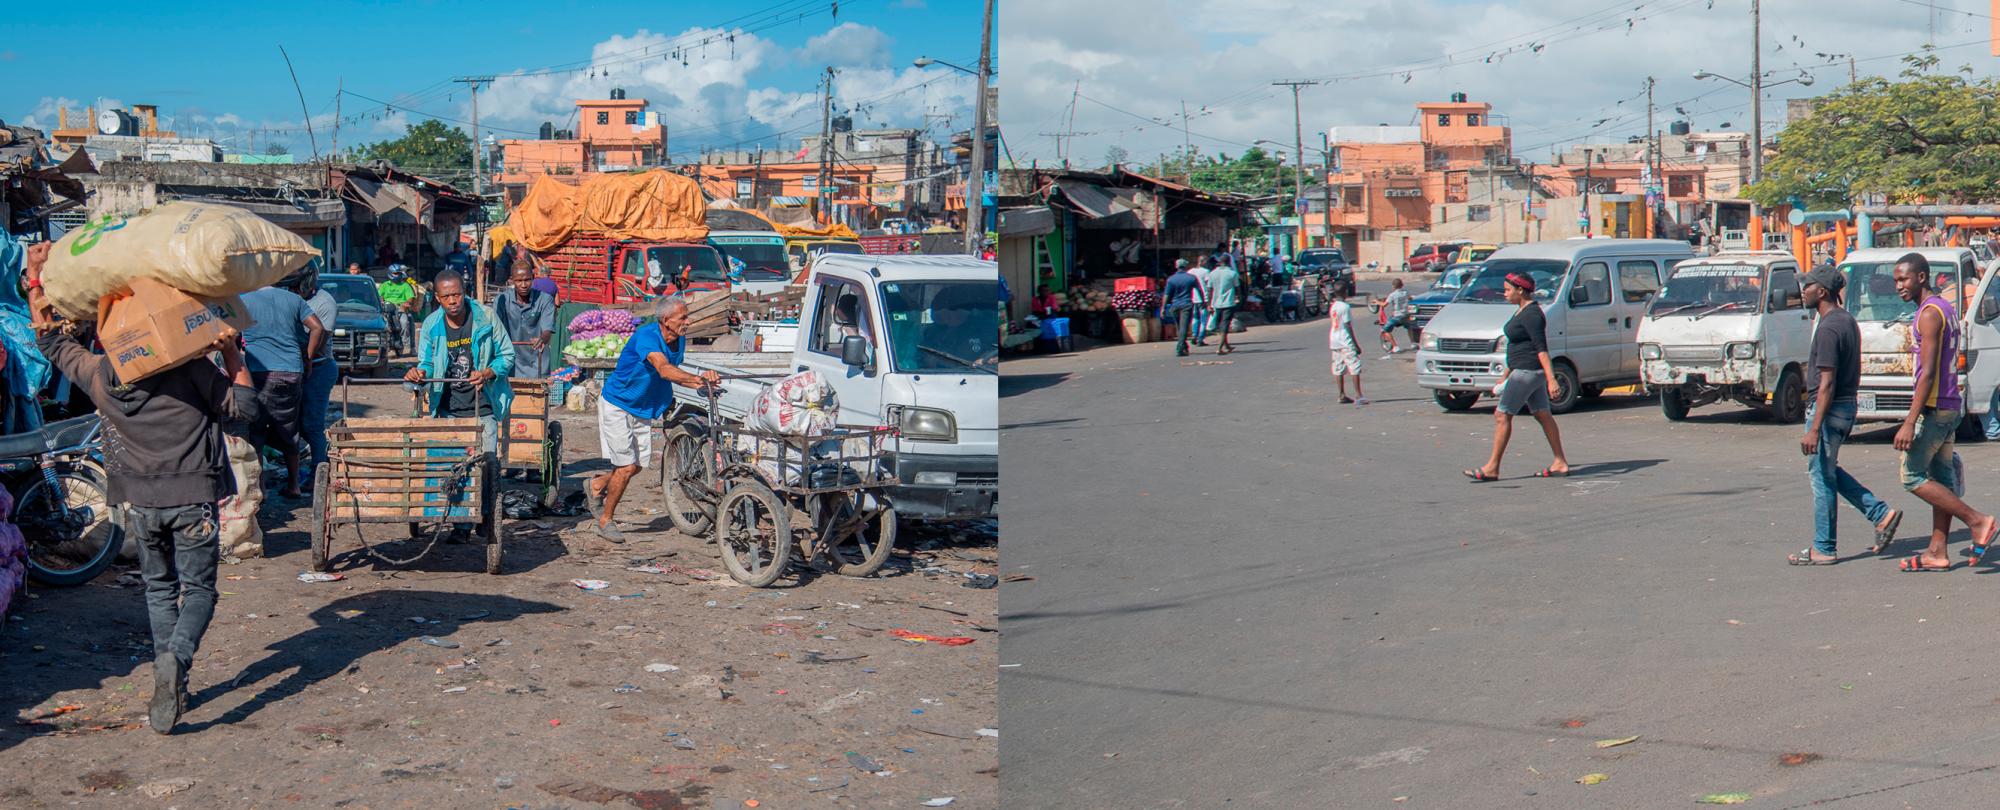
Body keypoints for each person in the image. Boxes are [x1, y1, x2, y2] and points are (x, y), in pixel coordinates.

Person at [24, 242, 257, 735]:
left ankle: (165, 676)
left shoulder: (100, 376)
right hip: (193, 498)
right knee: (199, 591)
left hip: (140, 504)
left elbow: (49, 341)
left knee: (158, 589)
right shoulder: (190, 369)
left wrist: (36, 280)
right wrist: (231, 349)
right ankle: (177, 659)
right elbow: (245, 409)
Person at [1889, 253, 2000, 571]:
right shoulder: (1945, 308)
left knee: (1911, 476)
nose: (1899, 286)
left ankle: (1977, 521)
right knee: (1941, 479)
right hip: (1951, 405)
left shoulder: (1929, 314)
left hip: (1936, 408)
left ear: (1921, 277)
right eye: (1896, 280)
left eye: (1904, 279)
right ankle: (1937, 551)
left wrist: (1910, 420)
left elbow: (1927, 372)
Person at [1788, 267, 1902, 565]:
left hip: (1829, 408)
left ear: (1822, 291)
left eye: (1808, 286)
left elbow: (1826, 382)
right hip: (1846, 407)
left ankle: (1824, 547)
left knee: (1821, 479)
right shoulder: (1847, 320)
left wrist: (1813, 428)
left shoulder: (1828, 328)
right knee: (1826, 471)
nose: (1804, 291)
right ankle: (1879, 513)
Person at [588, 296, 720, 542]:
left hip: (644, 407)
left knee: (636, 466)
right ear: (665, 320)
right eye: (683, 318)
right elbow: (663, 369)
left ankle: (597, 485)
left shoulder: (678, 340)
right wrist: (698, 380)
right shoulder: (647, 336)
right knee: (626, 467)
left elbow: (676, 372)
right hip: (618, 404)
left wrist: (701, 384)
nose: (688, 322)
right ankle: (605, 521)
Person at [1463, 272, 1569, 482]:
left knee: (1502, 415)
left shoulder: (1532, 315)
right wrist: (1505, 374)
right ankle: (1560, 462)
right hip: (1523, 370)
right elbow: (1518, 346)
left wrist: (1551, 379)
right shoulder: (1522, 311)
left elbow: (1541, 349)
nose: (1504, 294)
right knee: (1542, 415)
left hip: (1528, 372)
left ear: (1520, 290)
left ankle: (1492, 467)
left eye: (1508, 290)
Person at [404, 272, 514, 457]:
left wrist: (487, 373)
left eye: (457, 294)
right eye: (446, 297)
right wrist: (421, 373)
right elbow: (427, 362)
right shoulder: (431, 325)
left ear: (465, 292)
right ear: (438, 298)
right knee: (452, 468)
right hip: (447, 410)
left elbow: (507, 354)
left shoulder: (486, 318)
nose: (453, 301)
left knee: (485, 465)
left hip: (483, 406)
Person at [239, 284, 325, 498]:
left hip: (258, 371)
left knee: (256, 431)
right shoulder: (293, 299)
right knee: (289, 429)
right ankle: (294, 485)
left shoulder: (243, 300)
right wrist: (309, 357)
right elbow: (317, 328)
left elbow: (230, 335)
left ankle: (261, 489)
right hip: (291, 371)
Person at [297, 273, 339, 489]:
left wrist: (306, 357)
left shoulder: (324, 302)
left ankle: (320, 474)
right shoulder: (292, 296)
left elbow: (320, 339)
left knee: (312, 425)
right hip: (300, 367)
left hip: (320, 367)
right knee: (298, 424)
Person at [492, 266, 557, 380]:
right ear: (512, 280)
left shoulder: (545, 299)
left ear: (532, 278)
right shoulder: (502, 300)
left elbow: (547, 330)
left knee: (536, 395)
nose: (523, 285)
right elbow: (495, 328)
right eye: (518, 281)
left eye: (527, 280)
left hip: (537, 360)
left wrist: (542, 338)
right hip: (510, 359)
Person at [1328, 294, 1366, 404]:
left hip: (1335, 340)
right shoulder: (1345, 307)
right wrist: (1355, 344)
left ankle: (1341, 394)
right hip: (1345, 340)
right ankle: (1359, 395)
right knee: (1354, 366)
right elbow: (1348, 326)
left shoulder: (1333, 306)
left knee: (1338, 367)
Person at [1162, 260, 1202, 357]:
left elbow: (1166, 295)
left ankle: (1184, 346)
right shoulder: (1191, 278)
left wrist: (1163, 308)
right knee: (1183, 327)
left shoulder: (1171, 279)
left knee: (1179, 327)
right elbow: (1199, 290)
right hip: (1186, 305)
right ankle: (1180, 347)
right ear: (1186, 266)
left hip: (1175, 305)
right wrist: (1203, 302)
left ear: (1176, 266)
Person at [378, 266, 422, 353]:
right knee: (384, 325)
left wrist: (406, 303)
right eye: (395, 273)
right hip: (387, 309)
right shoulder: (385, 285)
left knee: (404, 322)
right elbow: (380, 296)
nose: (397, 275)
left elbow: (410, 298)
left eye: (398, 273)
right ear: (390, 274)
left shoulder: (405, 285)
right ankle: (385, 343)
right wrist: (381, 302)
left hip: (401, 309)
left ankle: (404, 343)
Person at [1208, 255, 1242, 355]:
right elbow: (1237, 288)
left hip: (1216, 303)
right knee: (1225, 324)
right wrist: (1239, 298)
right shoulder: (1232, 273)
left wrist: (1209, 304)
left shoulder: (1212, 273)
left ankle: (1226, 345)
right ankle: (1219, 348)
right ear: (1229, 262)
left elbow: (1210, 289)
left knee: (1221, 324)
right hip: (1228, 302)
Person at [1379, 279, 1415, 355]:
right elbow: (1410, 298)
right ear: (1402, 285)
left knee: (1385, 330)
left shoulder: (1392, 295)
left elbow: (1384, 305)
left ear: (1393, 286)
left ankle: (1395, 347)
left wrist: (1377, 302)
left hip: (1396, 316)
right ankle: (1413, 343)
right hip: (1405, 315)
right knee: (1409, 328)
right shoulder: (1405, 292)